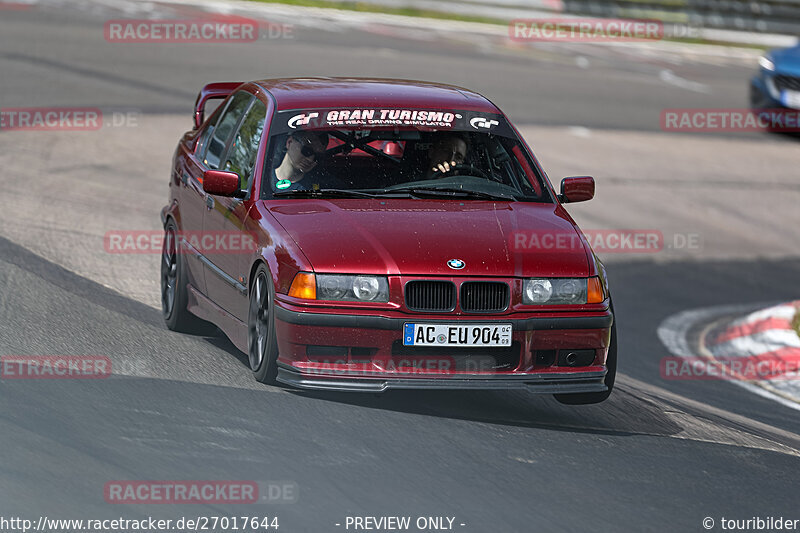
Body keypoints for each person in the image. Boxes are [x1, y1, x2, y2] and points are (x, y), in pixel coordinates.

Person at [272, 130, 341, 191]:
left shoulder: (326, 188)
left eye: (318, 157)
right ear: (289, 142)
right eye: (307, 151)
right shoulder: (263, 179)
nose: (310, 159)